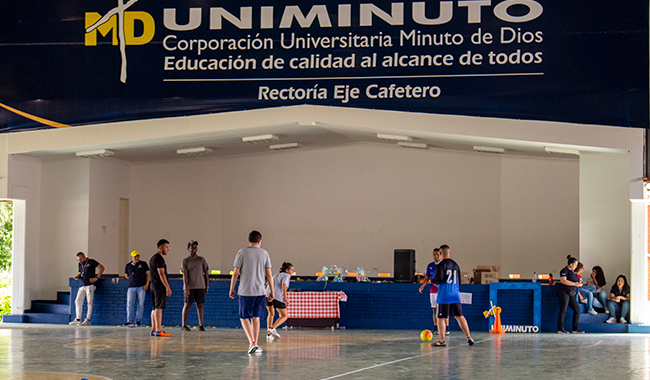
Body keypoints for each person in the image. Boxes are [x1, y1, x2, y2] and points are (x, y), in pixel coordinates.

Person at [229, 230, 274, 354]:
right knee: (256, 318)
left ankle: (252, 343)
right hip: (260, 291)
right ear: (259, 241)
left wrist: (231, 288)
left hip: (245, 291)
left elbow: (236, 273)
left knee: (244, 317)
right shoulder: (265, 253)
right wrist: (271, 290)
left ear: (249, 240)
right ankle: (255, 343)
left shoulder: (241, 252)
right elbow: (269, 275)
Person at [431, 245, 474, 347]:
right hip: (455, 295)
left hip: (444, 295)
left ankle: (442, 340)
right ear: (449, 253)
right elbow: (459, 281)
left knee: (441, 318)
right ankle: (469, 337)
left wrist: (433, 280)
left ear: (440, 254)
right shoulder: (456, 265)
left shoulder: (440, 265)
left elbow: (439, 278)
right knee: (459, 316)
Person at [181, 240, 210, 331]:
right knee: (187, 304)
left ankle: (201, 325)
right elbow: (185, 275)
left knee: (200, 305)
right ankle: (184, 324)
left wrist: (207, 285)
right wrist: (186, 287)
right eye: (192, 247)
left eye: (195, 247)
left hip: (200, 286)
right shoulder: (185, 261)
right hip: (190, 287)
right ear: (188, 249)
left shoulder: (201, 260)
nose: (194, 249)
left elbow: (206, 273)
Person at [418, 248, 449, 335]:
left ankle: (446, 328)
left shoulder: (444, 265)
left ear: (441, 254)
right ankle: (436, 328)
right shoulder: (430, 266)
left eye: (437, 254)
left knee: (444, 310)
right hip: (433, 291)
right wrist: (423, 286)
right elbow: (427, 278)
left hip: (442, 291)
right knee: (434, 310)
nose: (436, 256)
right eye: (434, 255)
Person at [69, 252, 105, 326]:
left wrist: (97, 277)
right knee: (77, 301)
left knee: (89, 302)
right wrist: (77, 276)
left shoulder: (91, 262)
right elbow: (80, 273)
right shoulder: (80, 264)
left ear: (84, 257)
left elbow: (101, 267)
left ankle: (88, 319)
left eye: (80, 259)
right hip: (82, 284)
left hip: (90, 285)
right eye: (78, 260)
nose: (79, 261)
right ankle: (78, 318)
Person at [150, 239, 172, 337]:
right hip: (159, 286)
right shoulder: (159, 258)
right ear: (160, 247)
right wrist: (167, 287)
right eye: (166, 247)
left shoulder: (152, 258)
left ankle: (153, 329)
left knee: (154, 308)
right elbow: (161, 273)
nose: (167, 249)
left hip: (153, 286)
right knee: (159, 308)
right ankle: (158, 330)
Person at [557, 255, 584, 333]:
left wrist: (578, 284)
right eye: (575, 265)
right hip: (564, 291)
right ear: (571, 264)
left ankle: (575, 328)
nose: (576, 267)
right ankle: (560, 328)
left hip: (571, 293)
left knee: (577, 309)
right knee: (563, 309)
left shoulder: (574, 272)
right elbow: (563, 281)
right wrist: (574, 284)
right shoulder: (564, 271)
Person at [266, 262, 294, 338]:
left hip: (267, 295)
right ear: (287, 270)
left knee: (271, 314)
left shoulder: (275, 275)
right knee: (285, 315)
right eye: (291, 270)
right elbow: (284, 284)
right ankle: (272, 328)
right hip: (276, 296)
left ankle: (269, 334)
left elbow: (266, 284)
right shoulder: (286, 275)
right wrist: (285, 297)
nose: (292, 272)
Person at [123, 250, 150, 327]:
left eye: (137, 256)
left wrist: (146, 284)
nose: (136, 258)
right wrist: (131, 279)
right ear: (132, 257)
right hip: (131, 287)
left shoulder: (143, 264)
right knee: (129, 304)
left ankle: (138, 320)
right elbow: (126, 275)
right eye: (135, 256)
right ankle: (130, 320)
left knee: (140, 304)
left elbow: (148, 274)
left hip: (141, 287)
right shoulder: (128, 265)